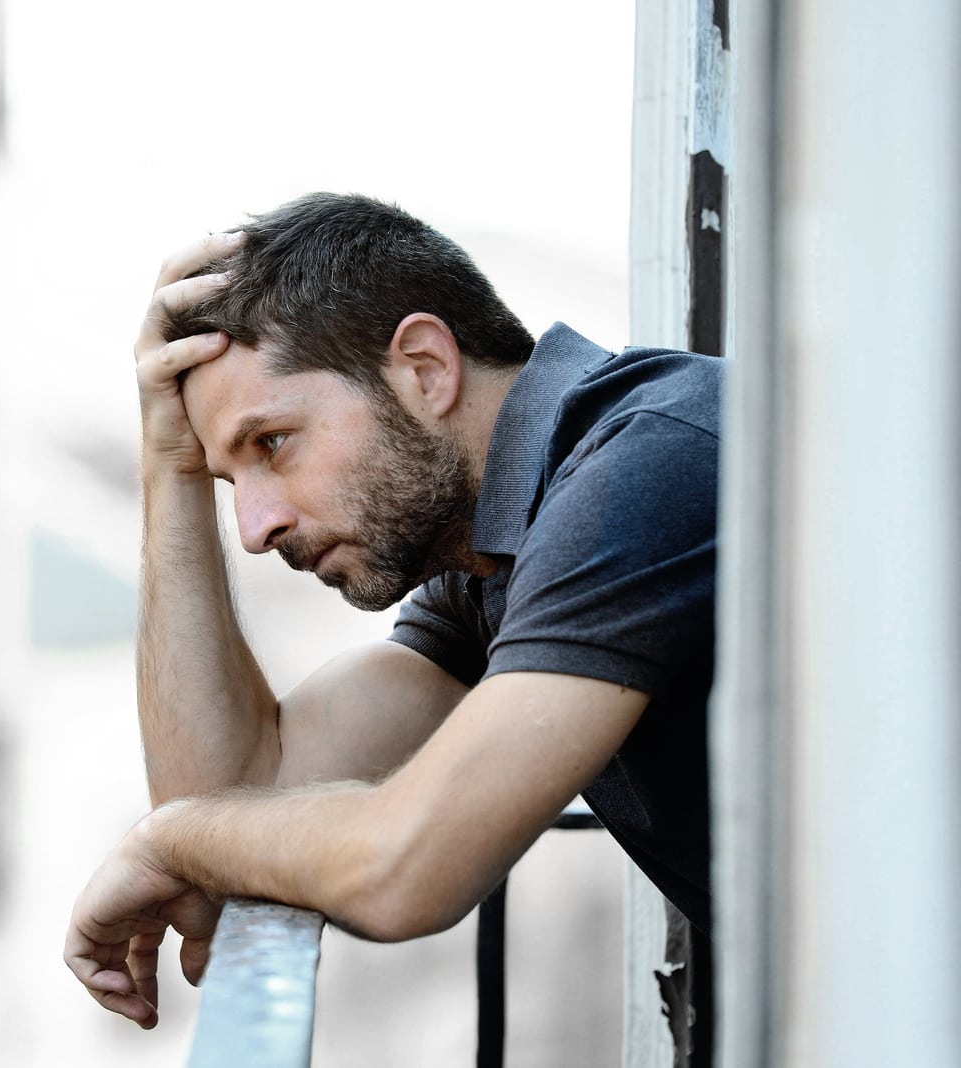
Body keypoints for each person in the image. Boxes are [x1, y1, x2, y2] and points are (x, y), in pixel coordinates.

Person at [63, 193, 720, 1030]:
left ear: (424, 368)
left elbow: (406, 869)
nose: (257, 529)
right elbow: (241, 796)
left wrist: (169, 838)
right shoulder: (492, 562)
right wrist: (169, 465)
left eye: (272, 443)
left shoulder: (639, 471)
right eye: (230, 482)